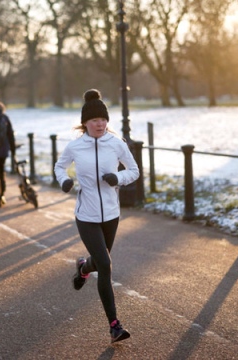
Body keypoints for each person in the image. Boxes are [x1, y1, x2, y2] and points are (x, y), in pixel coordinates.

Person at [54, 89, 139, 343]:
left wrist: (119, 178)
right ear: (85, 123)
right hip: (87, 215)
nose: (100, 124)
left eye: (103, 120)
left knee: (99, 262)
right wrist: (64, 181)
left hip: (112, 215)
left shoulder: (116, 143)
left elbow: (134, 170)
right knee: (105, 265)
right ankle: (114, 325)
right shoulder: (75, 146)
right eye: (94, 120)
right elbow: (59, 166)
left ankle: (83, 267)